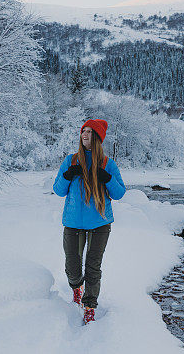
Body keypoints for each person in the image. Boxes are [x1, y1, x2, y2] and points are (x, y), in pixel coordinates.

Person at [53, 118, 126, 324]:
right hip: (73, 223)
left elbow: (120, 193)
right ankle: (77, 287)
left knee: (93, 267)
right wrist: (68, 175)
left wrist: (107, 178)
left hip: (99, 224)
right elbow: (58, 190)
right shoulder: (71, 160)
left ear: (98, 137)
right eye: (83, 131)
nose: (85, 135)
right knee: (72, 267)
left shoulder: (107, 164)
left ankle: (89, 306)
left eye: (90, 132)